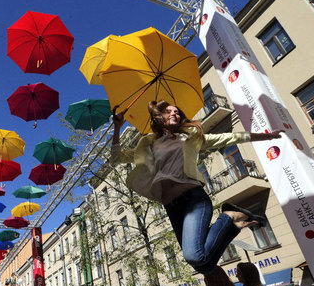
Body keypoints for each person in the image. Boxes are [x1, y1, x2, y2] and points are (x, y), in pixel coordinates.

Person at [111, 101, 283, 275]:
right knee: (203, 267)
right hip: (171, 207)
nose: (174, 114)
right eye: (169, 111)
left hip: (193, 199)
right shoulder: (148, 144)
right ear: (159, 117)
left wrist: (266, 136)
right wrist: (117, 127)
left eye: (177, 112)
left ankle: (228, 217)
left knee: (195, 256)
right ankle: (233, 224)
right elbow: (117, 157)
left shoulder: (190, 137)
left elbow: (228, 137)